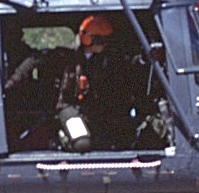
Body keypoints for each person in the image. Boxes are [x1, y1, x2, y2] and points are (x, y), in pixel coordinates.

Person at [55, 14, 147, 151]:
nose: (104, 45)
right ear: (89, 40)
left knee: (114, 140)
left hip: (95, 109)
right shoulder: (66, 58)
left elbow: (128, 65)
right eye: (101, 40)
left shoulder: (107, 60)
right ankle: (62, 139)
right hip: (69, 107)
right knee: (82, 144)